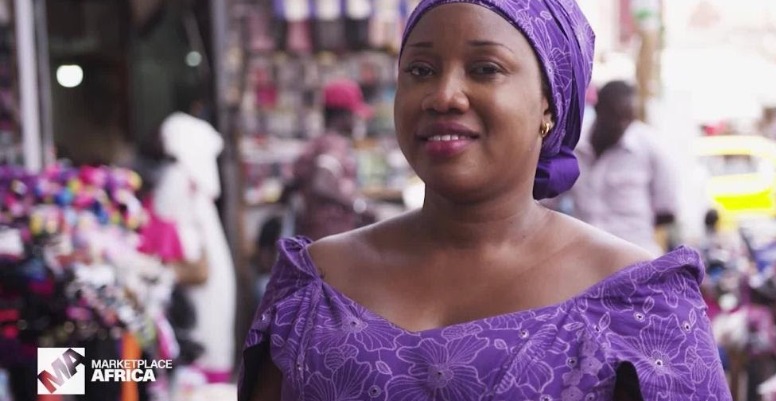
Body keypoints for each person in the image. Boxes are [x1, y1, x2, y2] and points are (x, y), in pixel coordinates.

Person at [241, 2, 731, 400]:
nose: (444, 95)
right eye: (420, 69)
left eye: (485, 69)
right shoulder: (315, 284)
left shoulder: (640, 305)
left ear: (549, 102)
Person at [148, 98, 237, 384]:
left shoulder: (178, 178)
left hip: (194, 280)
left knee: (196, 344)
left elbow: (162, 220)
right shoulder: (197, 185)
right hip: (210, 276)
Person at [566, 80, 679, 255]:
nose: (622, 125)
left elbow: (667, 211)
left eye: (628, 118)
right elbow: (548, 201)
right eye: (615, 116)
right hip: (586, 255)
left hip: (635, 256)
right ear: (598, 109)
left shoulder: (650, 146)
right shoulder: (574, 145)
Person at [290, 79, 374, 240]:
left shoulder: (317, 143)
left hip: (313, 236)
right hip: (330, 236)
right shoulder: (334, 144)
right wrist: (358, 207)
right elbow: (320, 184)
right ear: (343, 115)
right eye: (354, 115)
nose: (357, 120)